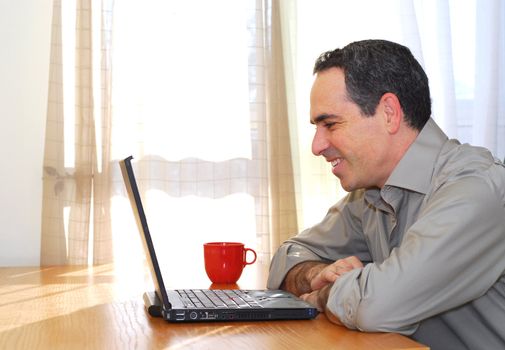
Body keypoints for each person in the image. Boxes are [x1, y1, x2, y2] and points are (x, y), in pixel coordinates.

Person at [267, 39, 505, 349]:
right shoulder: (371, 197)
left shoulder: (476, 188)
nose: (317, 146)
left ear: (389, 113)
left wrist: (327, 293)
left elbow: (376, 306)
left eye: (330, 124)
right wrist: (316, 273)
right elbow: (286, 258)